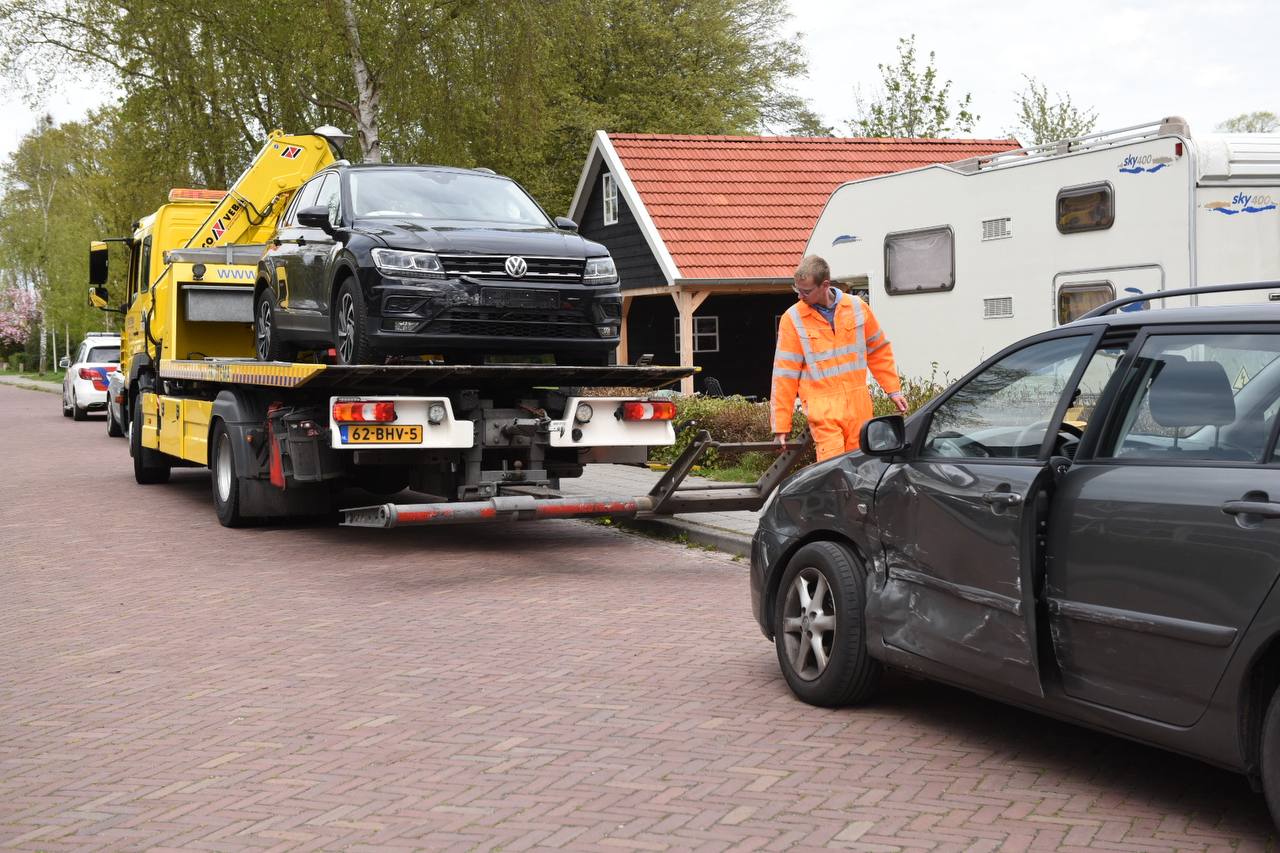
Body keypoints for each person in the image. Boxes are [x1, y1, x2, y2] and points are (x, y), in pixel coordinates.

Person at [771, 255, 908, 462]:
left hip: (859, 406)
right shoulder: (793, 319)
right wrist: (781, 427)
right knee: (833, 469)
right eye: (797, 289)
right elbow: (784, 375)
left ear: (825, 285)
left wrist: (893, 390)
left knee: (862, 466)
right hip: (823, 410)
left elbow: (878, 350)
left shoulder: (857, 307)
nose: (800, 296)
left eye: (806, 291)